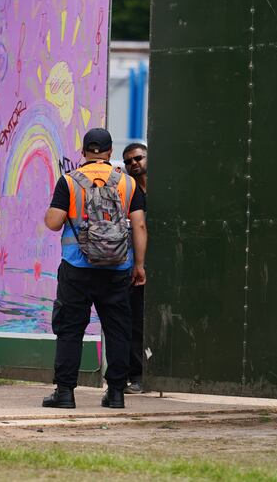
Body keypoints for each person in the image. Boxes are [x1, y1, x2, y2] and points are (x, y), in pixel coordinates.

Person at [42, 128, 147, 409]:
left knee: (70, 329)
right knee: (118, 330)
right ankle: (115, 394)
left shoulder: (68, 181)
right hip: (117, 269)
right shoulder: (128, 184)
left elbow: (53, 223)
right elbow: (138, 225)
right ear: (110, 152)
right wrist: (138, 265)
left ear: (84, 151)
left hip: (77, 268)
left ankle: (65, 393)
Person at [122, 142, 148, 394]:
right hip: (134, 267)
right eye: (128, 161)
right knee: (134, 323)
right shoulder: (128, 191)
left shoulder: (164, 190)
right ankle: (137, 376)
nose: (133, 163)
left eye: (138, 158)